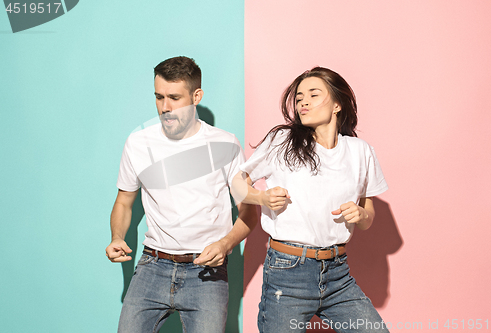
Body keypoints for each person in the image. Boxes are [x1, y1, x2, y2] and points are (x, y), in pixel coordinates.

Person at [105, 56, 259, 333]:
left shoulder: (225, 144)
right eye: (159, 97)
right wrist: (117, 237)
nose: (165, 107)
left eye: (175, 98)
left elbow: (249, 212)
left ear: (196, 96)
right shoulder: (138, 143)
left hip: (206, 273)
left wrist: (224, 245)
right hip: (153, 266)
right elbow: (124, 202)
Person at [231, 67, 390, 333]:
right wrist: (262, 198)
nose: (303, 102)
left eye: (314, 95)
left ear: (337, 104)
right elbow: (237, 183)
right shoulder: (282, 141)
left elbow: (368, 216)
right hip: (288, 271)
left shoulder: (360, 152)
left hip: (337, 273)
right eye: (299, 97)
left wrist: (361, 215)